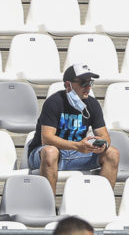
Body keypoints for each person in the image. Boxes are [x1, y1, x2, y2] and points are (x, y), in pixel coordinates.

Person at [26, 63, 120, 196]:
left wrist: (101, 145)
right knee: (50, 151)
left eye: (90, 83)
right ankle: (49, 207)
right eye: (83, 83)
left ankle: (103, 203)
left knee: (113, 153)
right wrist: (77, 146)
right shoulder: (54, 102)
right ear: (68, 85)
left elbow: (105, 137)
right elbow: (47, 138)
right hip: (47, 154)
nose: (88, 87)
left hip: (77, 153)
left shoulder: (92, 104)